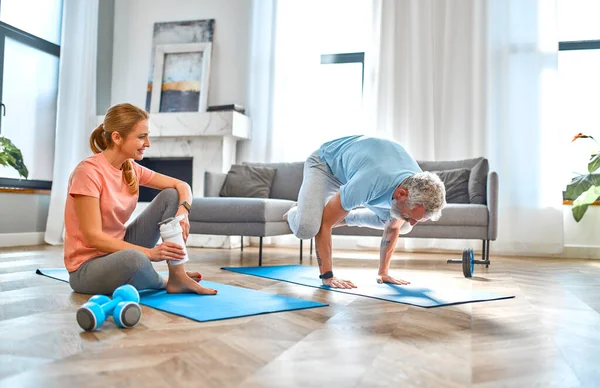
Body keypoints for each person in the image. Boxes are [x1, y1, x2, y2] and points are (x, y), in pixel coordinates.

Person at [64, 103, 217, 295]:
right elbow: (93, 237)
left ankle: (178, 275)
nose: (148, 143)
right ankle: (163, 281)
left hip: (118, 250)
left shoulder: (131, 168)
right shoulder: (88, 172)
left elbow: (182, 186)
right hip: (86, 270)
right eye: (141, 137)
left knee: (172, 195)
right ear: (117, 137)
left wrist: (183, 213)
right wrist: (150, 253)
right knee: (135, 260)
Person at [284, 135, 446, 289]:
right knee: (308, 228)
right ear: (401, 194)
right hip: (325, 165)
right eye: (412, 216)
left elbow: (393, 227)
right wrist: (327, 276)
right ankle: (296, 211)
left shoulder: (414, 184)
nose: (412, 222)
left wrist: (383, 273)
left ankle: (340, 215)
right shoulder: (371, 181)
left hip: (358, 172)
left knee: (402, 226)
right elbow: (326, 225)